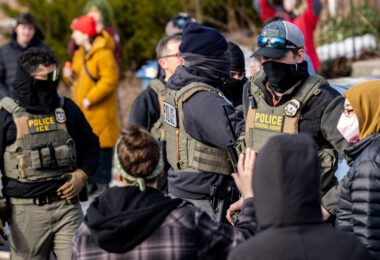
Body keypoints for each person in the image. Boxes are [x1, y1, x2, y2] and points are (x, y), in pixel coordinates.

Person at [72, 124, 256, 259]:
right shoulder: (187, 220)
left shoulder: (86, 233)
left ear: (120, 176)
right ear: (160, 173)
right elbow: (245, 246)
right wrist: (249, 198)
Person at [227, 20, 349, 222]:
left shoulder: (324, 100)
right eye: (265, 57)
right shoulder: (252, 91)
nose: (270, 64)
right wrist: (247, 200)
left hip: (305, 217)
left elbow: (362, 161)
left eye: (279, 56)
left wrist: (328, 206)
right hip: (260, 213)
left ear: (300, 55)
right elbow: (251, 147)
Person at [0, 47, 100, 259]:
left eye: (57, 74)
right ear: (29, 79)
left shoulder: (66, 109)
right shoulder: (6, 115)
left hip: (67, 208)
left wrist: (83, 173)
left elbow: (91, 144)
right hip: (25, 214)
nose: (55, 81)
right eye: (49, 76)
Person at [228, 134, 371, 260]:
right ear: (314, 178)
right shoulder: (351, 250)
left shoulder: (246, 254)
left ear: (262, 182)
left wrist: (250, 201)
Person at [163, 22, 244, 222]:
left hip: (184, 191)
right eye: (223, 55)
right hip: (206, 200)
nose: (228, 60)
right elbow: (241, 138)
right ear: (208, 60)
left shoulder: (178, 87)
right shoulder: (203, 99)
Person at [63, 15, 119, 195]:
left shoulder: (103, 53)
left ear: (86, 34)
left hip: (100, 112)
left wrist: (91, 98)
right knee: (87, 145)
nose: (73, 35)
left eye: (76, 31)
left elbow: (110, 80)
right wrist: (67, 75)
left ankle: (102, 183)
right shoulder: (79, 54)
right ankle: (92, 181)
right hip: (85, 112)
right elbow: (76, 81)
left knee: (102, 147)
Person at [129, 34, 183, 192]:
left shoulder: (198, 92)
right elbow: (132, 143)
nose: (184, 58)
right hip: (161, 184)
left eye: (187, 53)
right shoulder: (149, 98)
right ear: (163, 63)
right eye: (178, 55)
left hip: (191, 183)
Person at [335, 80, 380, 259]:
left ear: (372, 111)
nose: (345, 117)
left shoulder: (370, 162)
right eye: (344, 111)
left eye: (351, 111)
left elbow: (368, 234)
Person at [253, 0, 322, 72]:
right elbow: (259, 5)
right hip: (281, 69)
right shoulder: (275, 19)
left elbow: (315, 6)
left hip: (308, 67)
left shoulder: (306, 19)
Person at [0, 13, 51, 99]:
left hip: (39, 105)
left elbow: (54, 75)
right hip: (11, 105)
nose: (27, 32)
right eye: (23, 28)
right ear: (16, 29)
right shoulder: (4, 51)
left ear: (35, 30)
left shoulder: (44, 50)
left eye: (30, 28)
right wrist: (7, 99)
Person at [67, 0, 122, 75]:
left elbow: (116, 52)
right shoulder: (86, 30)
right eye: (90, 11)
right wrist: (77, 30)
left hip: (106, 73)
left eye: (96, 11)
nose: (92, 14)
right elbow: (72, 50)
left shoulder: (109, 32)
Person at [218, 42, 247, 111]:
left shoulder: (247, 90)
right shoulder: (209, 92)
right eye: (232, 74)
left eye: (240, 74)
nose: (237, 78)